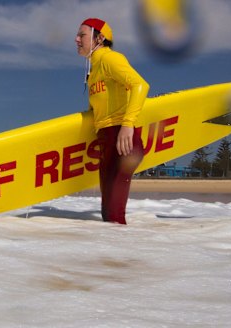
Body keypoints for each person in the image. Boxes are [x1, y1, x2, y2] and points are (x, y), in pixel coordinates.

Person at [75, 18, 150, 224]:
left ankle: (122, 252)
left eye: (82, 35)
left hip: (122, 139)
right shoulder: (93, 72)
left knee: (115, 215)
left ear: (100, 38)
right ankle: (113, 255)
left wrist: (127, 124)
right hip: (106, 140)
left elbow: (140, 85)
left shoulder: (110, 59)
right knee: (108, 213)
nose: (76, 39)